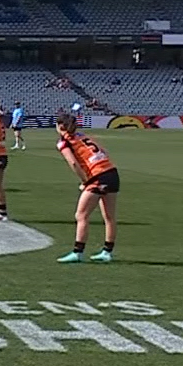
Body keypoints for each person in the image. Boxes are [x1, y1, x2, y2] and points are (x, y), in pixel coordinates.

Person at [53, 111, 117, 263]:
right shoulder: (83, 136)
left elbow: (74, 163)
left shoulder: (64, 142)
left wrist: (85, 181)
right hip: (111, 172)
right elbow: (104, 151)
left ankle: (78, 252)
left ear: (61, 126)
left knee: (81, 215)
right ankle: (107, 252)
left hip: (97, 176)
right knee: (109, 217)